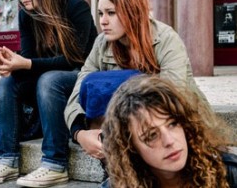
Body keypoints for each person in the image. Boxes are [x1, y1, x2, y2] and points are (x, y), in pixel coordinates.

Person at [64, 0, 212, 160]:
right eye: (101, 13)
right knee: (92, 84)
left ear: (132, 12)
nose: (103, 21)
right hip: (126, 124)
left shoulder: (165, 38)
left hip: (174, 119)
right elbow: (78, 92)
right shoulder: (102, 43)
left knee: (130, 84)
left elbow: (174, 92)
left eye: (111, 13)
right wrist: (79, 133)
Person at [0, 0, 97, 187]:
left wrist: (25, 64)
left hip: (84, 79)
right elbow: (29, 59)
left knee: (49, 79)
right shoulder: (26, 15)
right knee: (7, 83)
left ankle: (55, 163)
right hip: (49, 84)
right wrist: (10, 66)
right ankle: (7, 159)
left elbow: (76, 59)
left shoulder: (75, 6)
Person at [100, 75, 237, 188]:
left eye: (173, 124)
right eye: (152, 135)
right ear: (131, 148)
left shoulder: (227, 173)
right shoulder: (120, 185)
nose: (169, 141)